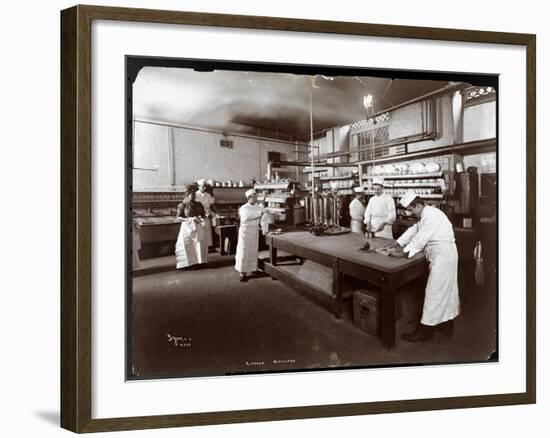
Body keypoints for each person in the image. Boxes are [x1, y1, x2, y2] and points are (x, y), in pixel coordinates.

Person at [391, 190, 460, 342]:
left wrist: (404, 253)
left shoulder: (432, 215)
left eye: (410, 210)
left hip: (444, 257)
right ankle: (445, 327)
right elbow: (413, 230)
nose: (410, 213)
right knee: (445, 292)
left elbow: (421, 238)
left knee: (434, 293)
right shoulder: (424, 216)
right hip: (441, 256)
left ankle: (425, 332)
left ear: (418, 205)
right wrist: (398, 243)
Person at [235, 189, 267, 282]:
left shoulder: (257, 206)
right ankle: (242, 272)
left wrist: (265, 211)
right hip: (245, 232)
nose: (256, 198)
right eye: (255, 197)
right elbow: (249, 216)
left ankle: (253, 268)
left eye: (256, 196)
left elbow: (263, 211)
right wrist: (262, 212)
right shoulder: (244, 208)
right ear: (249, 198)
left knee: (253, 250)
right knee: (244, 251)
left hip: (254, 231)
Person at [174, 185, 208, 269]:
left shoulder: (199, 204)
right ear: (187, 195)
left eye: (194, 194)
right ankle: (187, 264)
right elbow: (177, 218)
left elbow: (204, 215)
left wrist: (200, 218)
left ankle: (200, 262)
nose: (193, 196)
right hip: (186, 228)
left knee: (199, 244)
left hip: (197, 226)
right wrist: (189, 219)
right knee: (187, 245)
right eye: (191, 194)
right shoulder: (183, 205)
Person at [195, 179, 217, 249]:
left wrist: (216, 213)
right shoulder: (195, 195)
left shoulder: (207, 195)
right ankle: (201, 247)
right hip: (199, 216)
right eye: (203, 186)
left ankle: (207, 247)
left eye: (205, 187)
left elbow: (212, 205)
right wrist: (206, 214)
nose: (204, 188)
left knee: (207, 231)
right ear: (199, 186)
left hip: (208, 215)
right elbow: (198, 207)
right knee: (201, 232)